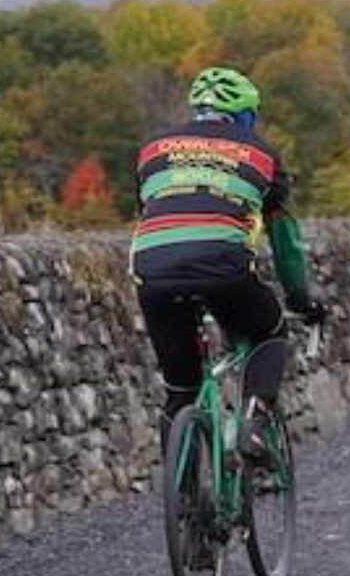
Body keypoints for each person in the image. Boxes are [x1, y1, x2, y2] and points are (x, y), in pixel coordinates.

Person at [131, 67, 327, 459]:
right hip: (223, 267)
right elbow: (284, 240)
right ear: (246, 116)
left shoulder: (153, 149)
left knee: (180, 390)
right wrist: (300, 298)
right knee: (268, 330)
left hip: (152, 268)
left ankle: (182, 489)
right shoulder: (261, 154)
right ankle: (255, 420)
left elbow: (153, 209)